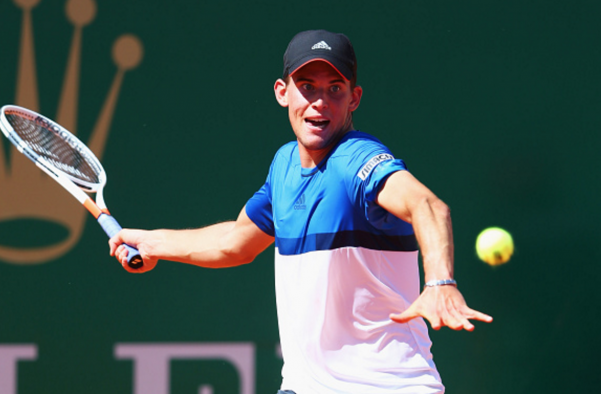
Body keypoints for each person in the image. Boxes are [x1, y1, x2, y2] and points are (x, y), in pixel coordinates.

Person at [110, 29, 493, 394]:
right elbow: (234, 243)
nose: (320, 102)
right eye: (307, 87)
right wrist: (152, 242)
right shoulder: (284, 166)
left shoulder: (356, 159)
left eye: (335, 89)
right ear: (282, 92)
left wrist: (440, 283)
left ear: (354, 98)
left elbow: (427, 205)